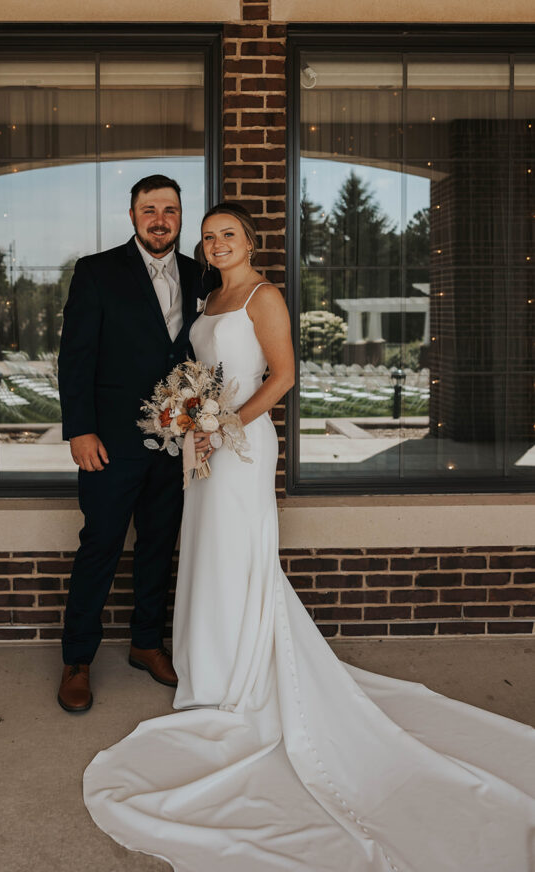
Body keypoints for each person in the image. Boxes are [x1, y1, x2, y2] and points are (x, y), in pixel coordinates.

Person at [82, 200, 535, 870]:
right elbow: (195, 377)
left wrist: (220, 422)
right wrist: (188, 417)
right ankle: (209, 674)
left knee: (238, 554)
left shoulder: (264, 297)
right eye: (207, 238)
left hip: (238, 446)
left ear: (249, 240)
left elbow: (283, 377)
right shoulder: (208, 301)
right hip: (202, 448)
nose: (214, 244)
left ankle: (242, 683)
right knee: (205, 555)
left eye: (226, 234)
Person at [56, 173, 201, 713]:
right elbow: (75, 359)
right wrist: (80, 429)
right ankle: (77, 659)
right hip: (109, 443)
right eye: (149, 209)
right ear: (134, 215)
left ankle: (146, 643)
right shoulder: (96, 272)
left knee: (159, 548)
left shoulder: (198, 274)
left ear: (180, 216)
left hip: (175, 443)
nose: (160, 218)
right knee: (100, 547)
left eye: (169, 209)